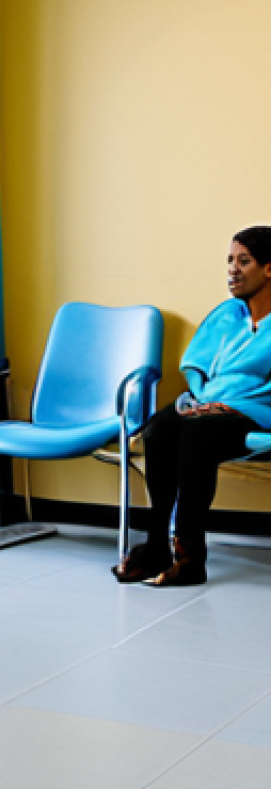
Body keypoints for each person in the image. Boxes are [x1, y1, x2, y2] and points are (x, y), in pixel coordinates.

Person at [113, 226, 271, 587]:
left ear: (269, 269)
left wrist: (227, 407)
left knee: (198, 434)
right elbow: (196, 362)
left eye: (244, 261)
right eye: (229, 260)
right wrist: (200, 398)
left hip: (256, 411)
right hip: (208, 404)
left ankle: (190, 558)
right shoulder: (227, 313)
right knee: (159, 429)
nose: (232, 269)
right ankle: (156, 548)